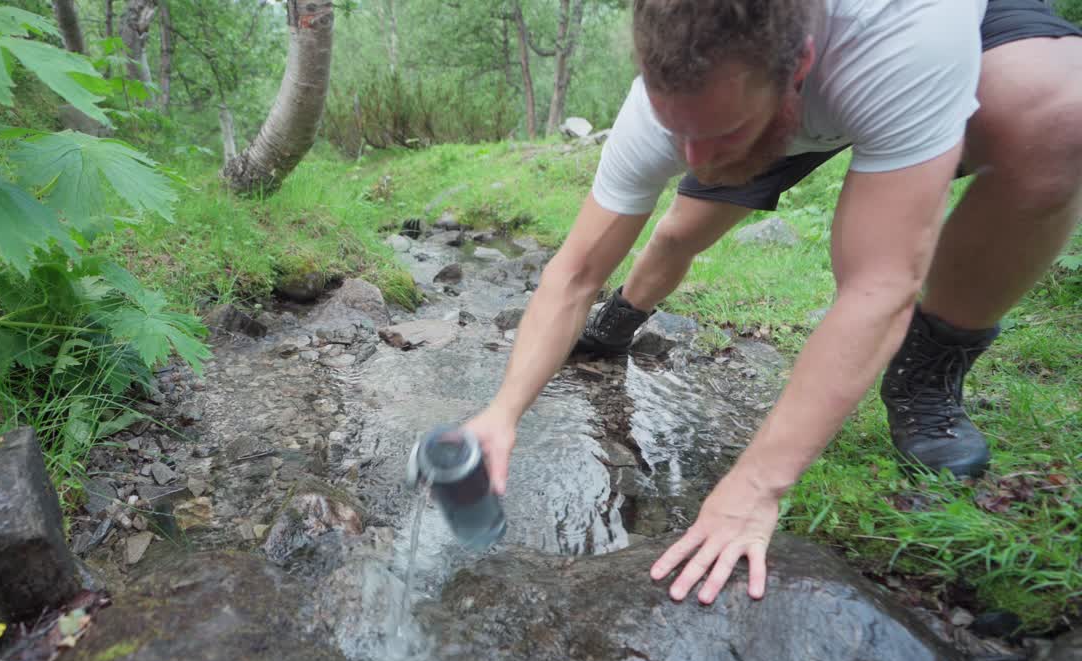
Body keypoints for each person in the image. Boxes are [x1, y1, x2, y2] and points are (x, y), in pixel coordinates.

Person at [462, 0, 1082, 605]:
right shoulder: (677, 110)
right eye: (677, 132)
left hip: (911, 47)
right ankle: (623, 318)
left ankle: (929, 368)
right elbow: (572, 273)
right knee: (679, 231)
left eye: (717, 134)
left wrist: (756, 485)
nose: (693, 159)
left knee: (1058, 123)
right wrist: (503, 411)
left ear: (801, 69)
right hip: (763, 92)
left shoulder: (906, 34)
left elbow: (878, 286)